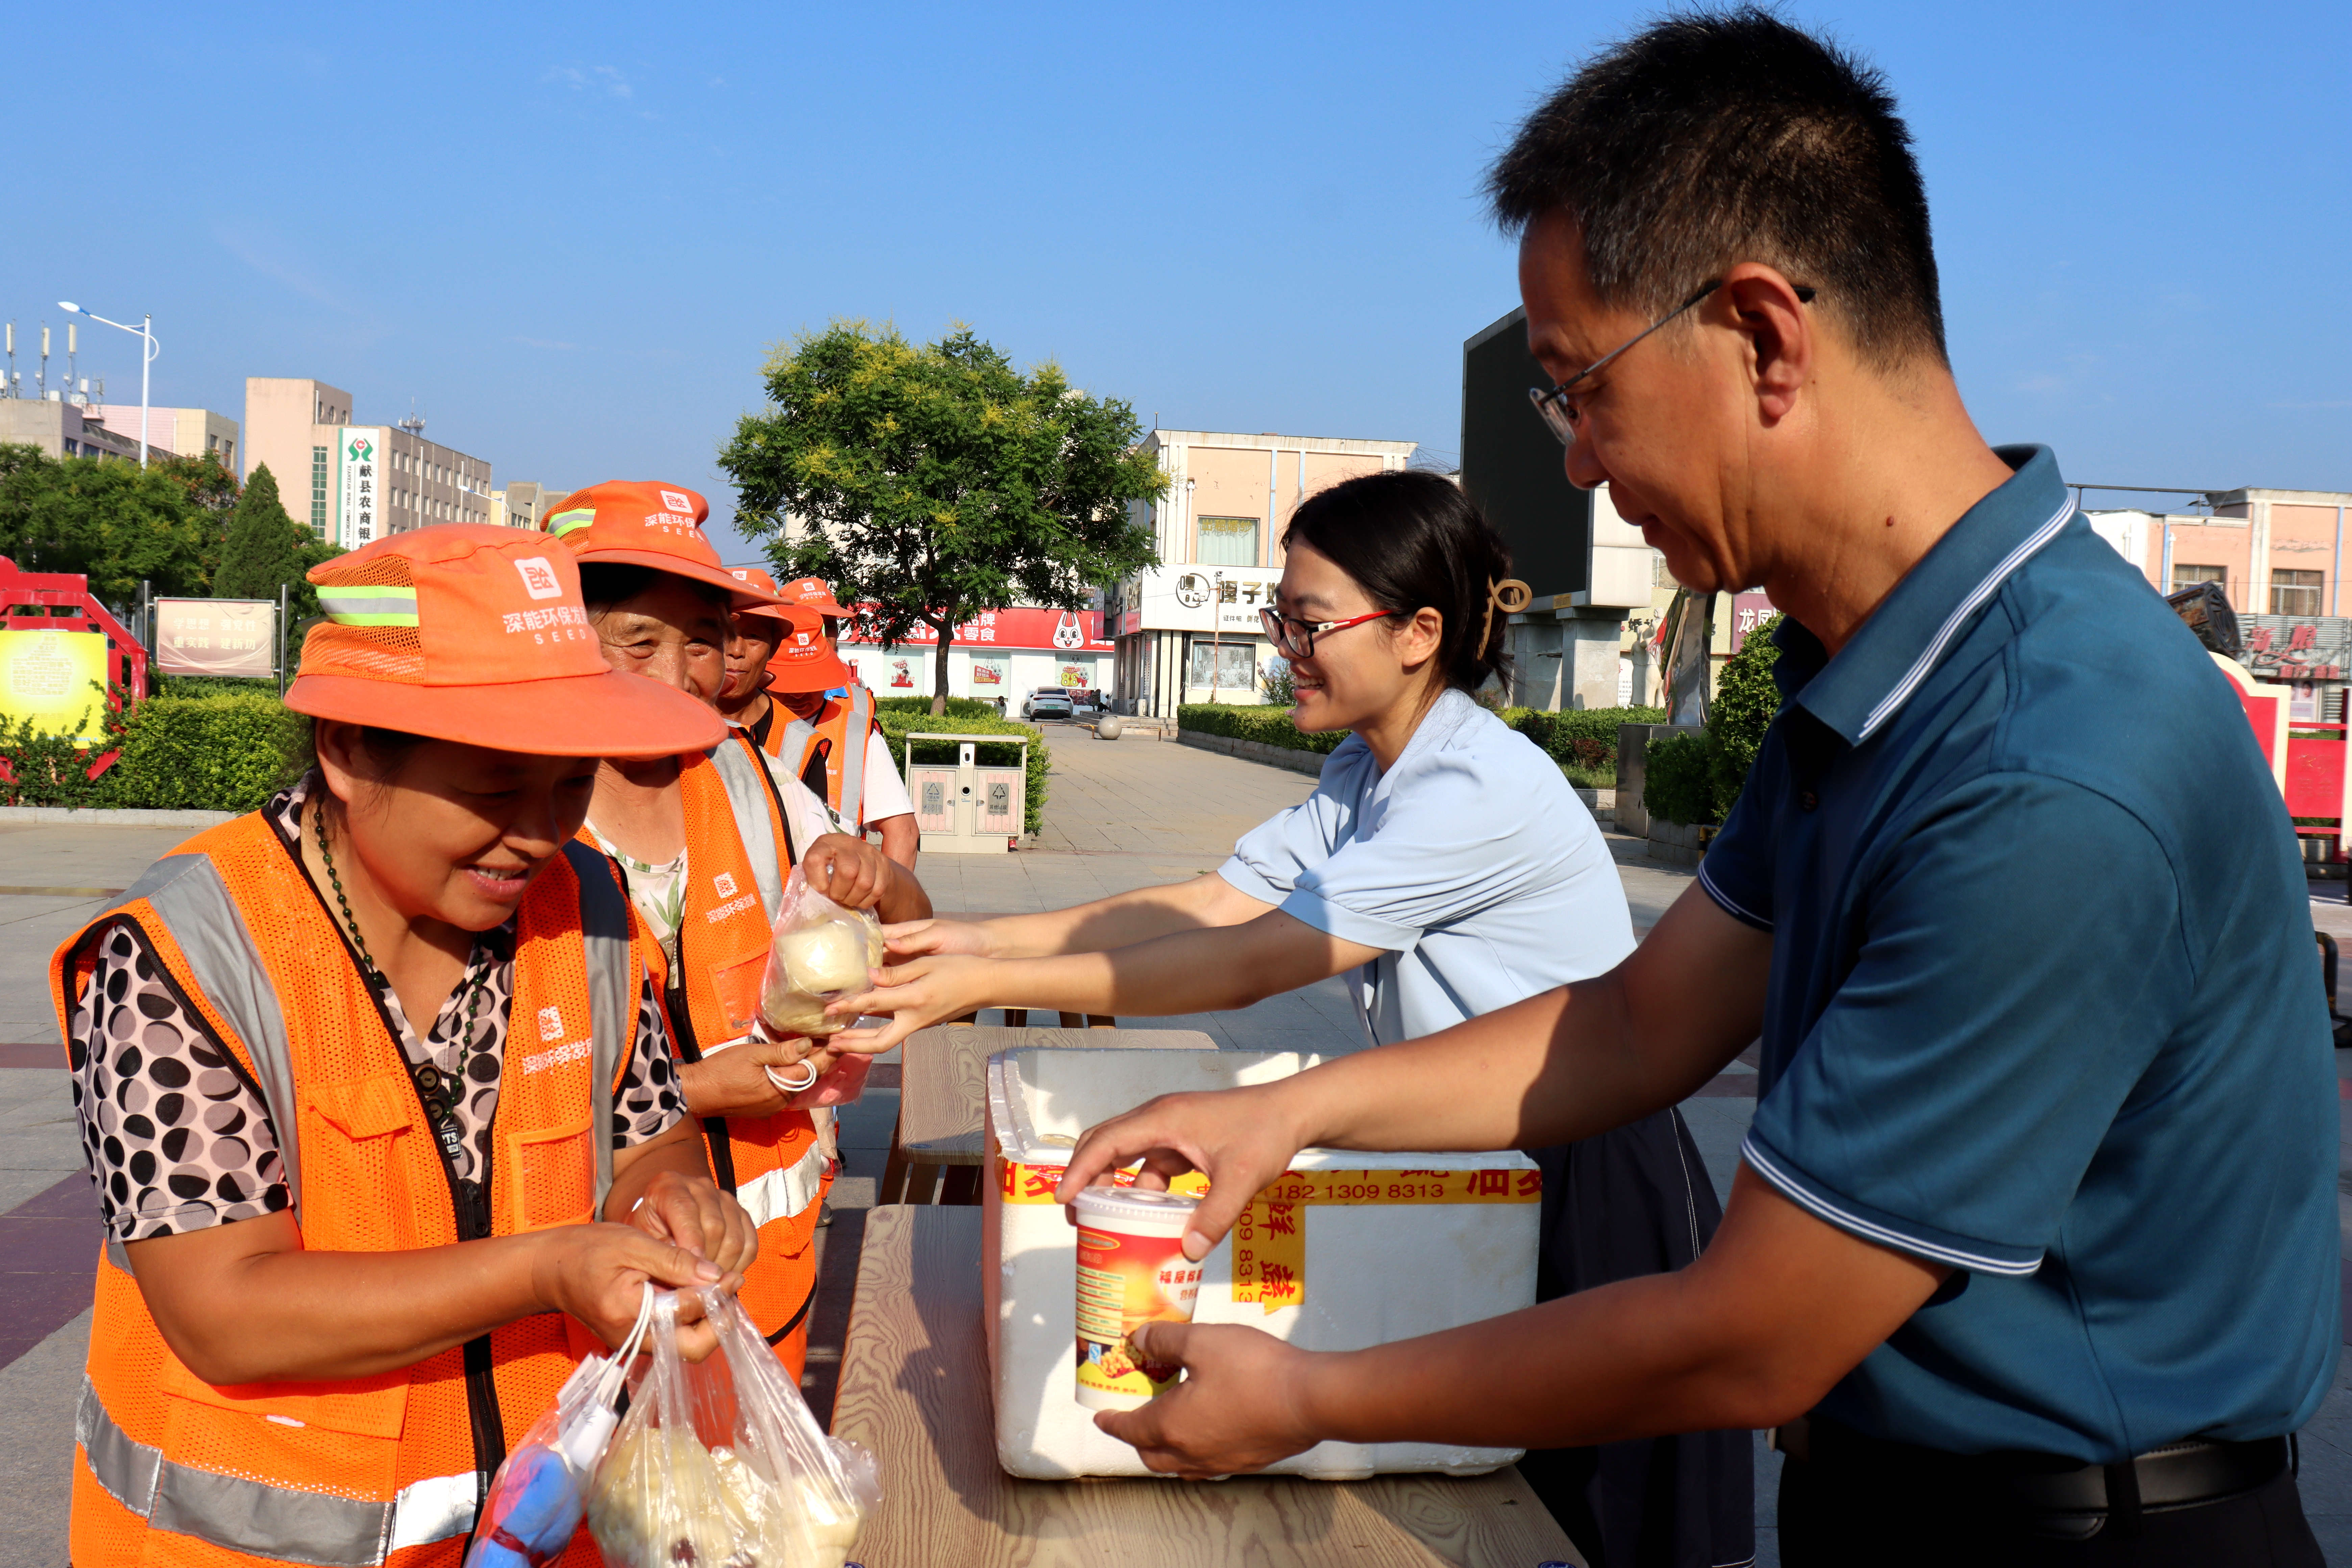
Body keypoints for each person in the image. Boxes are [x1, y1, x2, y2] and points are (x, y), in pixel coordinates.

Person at [1049, 14, 2335, 1566]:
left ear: (1763, 337)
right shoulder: (1871, 675)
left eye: (1580, 386)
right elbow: (1639, 1021)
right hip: (1900, 1496)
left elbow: (1754, 1333)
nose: (1580, 462)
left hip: (2086, 1529)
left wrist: (1312, 1392)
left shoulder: (2039, 766)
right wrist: (1284, 1114)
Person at [842, 468, 1749, 1566]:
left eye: (1311, 621)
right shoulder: (1366, 770)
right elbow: (1209, 902)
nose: (1287, 646)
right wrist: (980, 941)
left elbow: (1253, 960)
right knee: (1489, 1479)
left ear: (1420, 633)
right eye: (1283, 617)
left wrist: (975, 989)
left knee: (1599, 1510)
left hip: (1590, 1161)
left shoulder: (1471, 784)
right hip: (1475, 1148)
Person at [51, 525, 756, 1566]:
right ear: (345, 751)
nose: (540, 830)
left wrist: (672, 1201)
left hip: (541, 1528)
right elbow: (223, 1309)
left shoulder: (591, 908)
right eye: (492, 786)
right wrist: (552, 1266)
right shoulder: (187, 952)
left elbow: (648, 1131)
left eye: (570, 783)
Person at [545, 482, 932, 1378]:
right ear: (566, 636)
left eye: (703, 643)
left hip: (767, 1260)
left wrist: (885, 885)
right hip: (587, 1280)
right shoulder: (505, 812)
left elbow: (908, 944)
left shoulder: (753, 779)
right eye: (639, 642)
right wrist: (693, 1089)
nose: (681, 676)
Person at [734, 573, 920, 869]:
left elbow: (903, 831)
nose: (801, 694)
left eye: (830, 626)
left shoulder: (856, 726)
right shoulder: (712, 720)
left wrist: (885, 907)